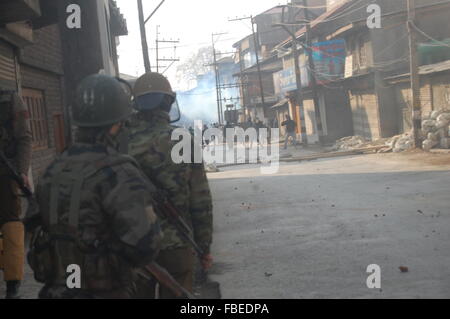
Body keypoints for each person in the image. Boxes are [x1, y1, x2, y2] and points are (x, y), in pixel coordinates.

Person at [26, 74, 162, 299]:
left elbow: (35, 227)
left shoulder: (52, 170)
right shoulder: (119, 172)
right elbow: (146, 246)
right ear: (115, 125)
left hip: (58, 291)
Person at [128, 72, 213, 299]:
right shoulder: (183, 139)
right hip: (177, 246)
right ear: (168, 102)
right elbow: (201, 201)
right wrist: (204, 247)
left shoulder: (119, 141)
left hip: (133, 248)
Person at [0, 88, 32, 299]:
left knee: (11, 226)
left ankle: (13, 284)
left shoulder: (10, 98)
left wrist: (22, 171)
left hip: (5, 174)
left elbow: (24, 138)